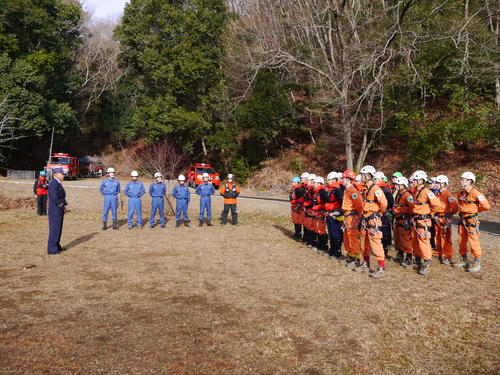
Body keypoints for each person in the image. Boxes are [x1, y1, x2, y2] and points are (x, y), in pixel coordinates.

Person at [407, 170, 444, 275]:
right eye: (413, 179)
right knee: (415, 241)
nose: (413, 181)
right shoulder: (416, 191)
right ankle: (418, 260)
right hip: (416, 220)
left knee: (424, 241)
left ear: (421, 180)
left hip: (423, 220)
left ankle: (426, 262)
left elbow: (437, 204)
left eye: (415, 179)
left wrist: (429, 213)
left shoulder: (426, 192)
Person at [354, 165, 388, 278]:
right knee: (364, 243)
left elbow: (383, 203)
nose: (361, 177)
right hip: (365, 219)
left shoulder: (376, 189)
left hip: (373, 220)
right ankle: (365, 263)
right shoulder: (365, 189)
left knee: (376, 244)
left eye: (363, 175)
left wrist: (378, 212)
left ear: (368, 176)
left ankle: (381, 268)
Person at [454, 172, 491, 273]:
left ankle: (477, 262)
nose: (461, 181)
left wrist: (475, 210)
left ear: (469, 181)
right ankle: (463, 259)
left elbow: (486, 206)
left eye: (463, 179)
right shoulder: (461, 193)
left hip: (471, 220)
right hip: (462, 220)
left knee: (473, 241)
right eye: (461, 179)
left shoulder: (476, 193)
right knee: (461, 240)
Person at [433, 175, 458, 264]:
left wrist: (449, 215)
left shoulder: (448, 195)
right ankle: (438, 253)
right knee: (437, 236)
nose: (435, 184)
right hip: (437, 218)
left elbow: (455, 207)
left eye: (437, 183)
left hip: (444, 219)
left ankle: (447, 255)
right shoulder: (436, 194)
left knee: (446, 237)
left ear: (443, 184)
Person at [340, 170, 363, 268]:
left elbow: (359, 205)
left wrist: (357, 216)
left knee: (352, 237)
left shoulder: (353, 191)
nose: (342, 180)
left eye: (344, 179)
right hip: (346, 216)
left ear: (348, 180)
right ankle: (350, 255)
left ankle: (357, 257)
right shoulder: (346, 190)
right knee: (346, 237)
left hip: (352, 217)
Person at [391, 176, 413, 266]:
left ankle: (409, 257)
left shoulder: (407, 195)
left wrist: (409, 218)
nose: (396, 186)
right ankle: (400, 254)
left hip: (404, 220)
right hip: (398, 219)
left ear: (403, 185)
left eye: (398, 184)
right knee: (398, 238)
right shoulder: (398, 194)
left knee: (406, 239)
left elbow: (412, 208)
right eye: (396, 184)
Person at [47, 168, 68, 255]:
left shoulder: (58, 183)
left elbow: (61, 196)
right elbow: (54, 197)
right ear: (57, 174)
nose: (63, 175)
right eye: (62, 174)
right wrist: (62, 205)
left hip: (59, 209)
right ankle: (52, 249)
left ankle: (57, 245)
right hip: (55, 210)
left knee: (58, 228)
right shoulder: (53, 184)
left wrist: (65, 204)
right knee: (55, 229)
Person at [374, 172, 394, 257]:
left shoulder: (384, 189)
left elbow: (391, 201)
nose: (374, 181)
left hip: (383, 213)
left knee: (384, 231)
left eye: (375, 179)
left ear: (380, 179)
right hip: (377, 212)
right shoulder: (375, 188)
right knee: (378, 230)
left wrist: (385, 210)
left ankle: (384, 249)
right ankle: (379, 248)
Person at [324, 171, 344, 258]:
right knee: (331, 233)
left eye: (329, 180)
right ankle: (332, 249)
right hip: (329, 214)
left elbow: (342, 202)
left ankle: (337, 251)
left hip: (335, 214)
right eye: (327, 180)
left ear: (334, 180)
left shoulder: (337, 190)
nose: (327, 181)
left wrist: (339, 212)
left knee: (336, 233)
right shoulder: (330, 190)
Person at [311, 176, 328, 253]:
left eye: (314, 182)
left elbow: (325, 203)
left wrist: (317, 207)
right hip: (316, 213)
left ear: (319, 183)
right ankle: (319, 244)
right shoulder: (316, 192)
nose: (313, 184)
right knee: (317, 229)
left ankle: (323, 246)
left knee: (321, 230)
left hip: (320, 213)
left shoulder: (322, 192)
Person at [302, 174, 316, 247]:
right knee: (307, 225)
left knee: (311, 226)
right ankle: (308, 240)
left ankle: (312, 242)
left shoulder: (313, 190)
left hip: (311, 210)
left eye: (308, 180)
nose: (306, 181)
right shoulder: (308, 189)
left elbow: (313, 201)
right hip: (307, 210)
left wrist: (306, 204)